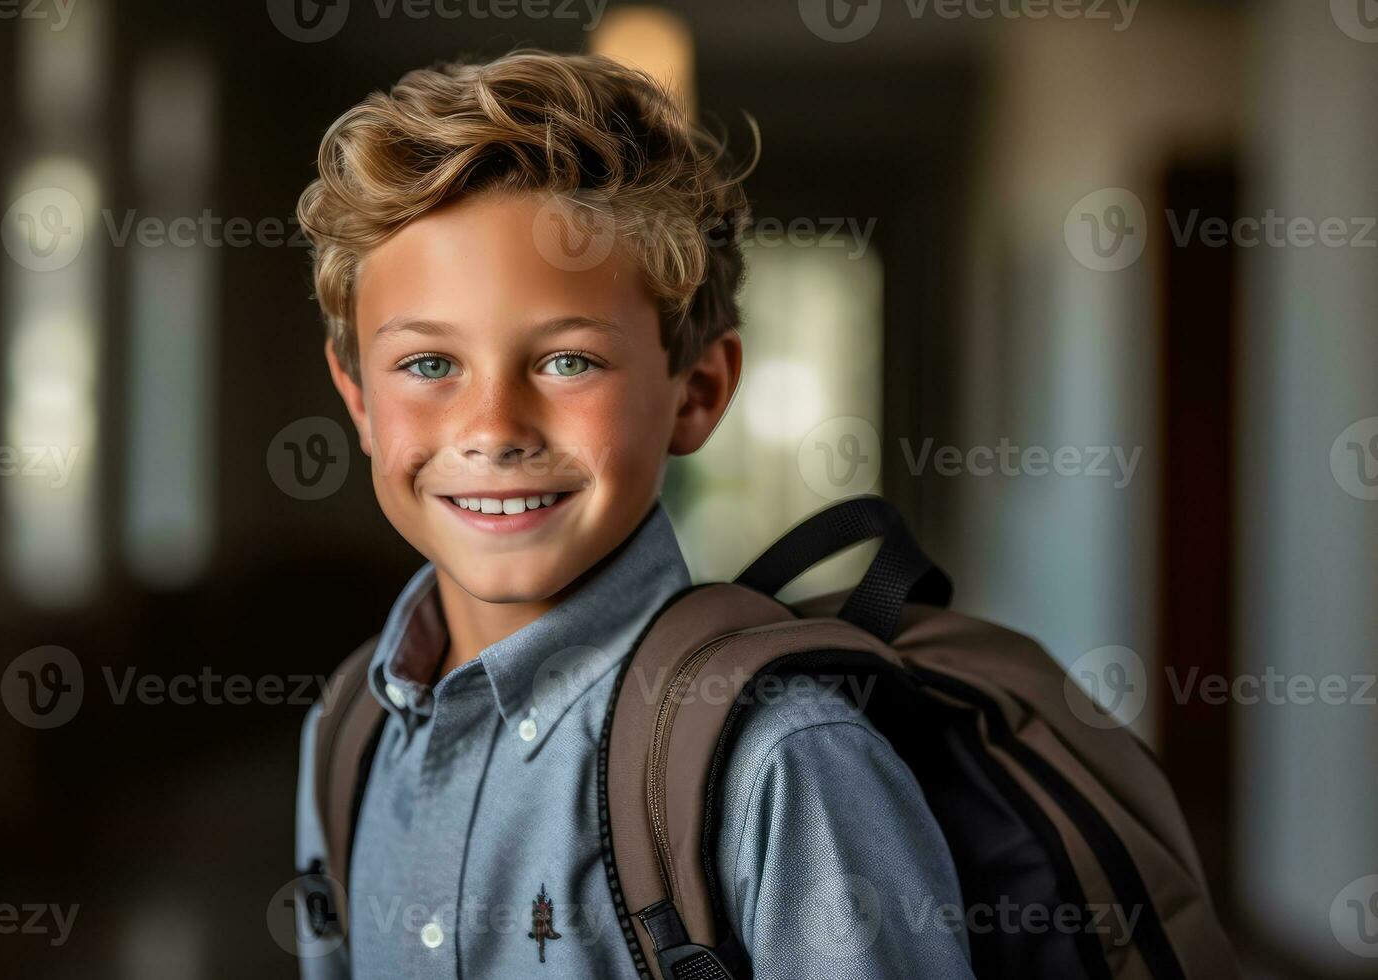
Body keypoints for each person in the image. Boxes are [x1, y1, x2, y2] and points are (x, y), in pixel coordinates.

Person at [292, 49, 972, 979]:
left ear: (696, 391)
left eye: (568, 361)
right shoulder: (347, 731)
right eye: (428, 364)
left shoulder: (782, 765)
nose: (493, 430)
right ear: (360, 399)